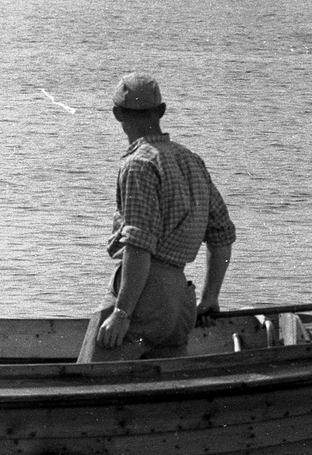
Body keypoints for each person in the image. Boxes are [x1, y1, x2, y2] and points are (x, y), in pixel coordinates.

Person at [78, 72, 236, 363]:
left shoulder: (138, 164)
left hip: (144, 296)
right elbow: (222, 235)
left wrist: (122, 313)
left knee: (91, 378)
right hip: (180, 303)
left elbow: (139, 244)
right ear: (161, 112)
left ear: (116, 114)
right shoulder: (191, 160)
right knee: (168, 388)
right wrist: (210, 296)